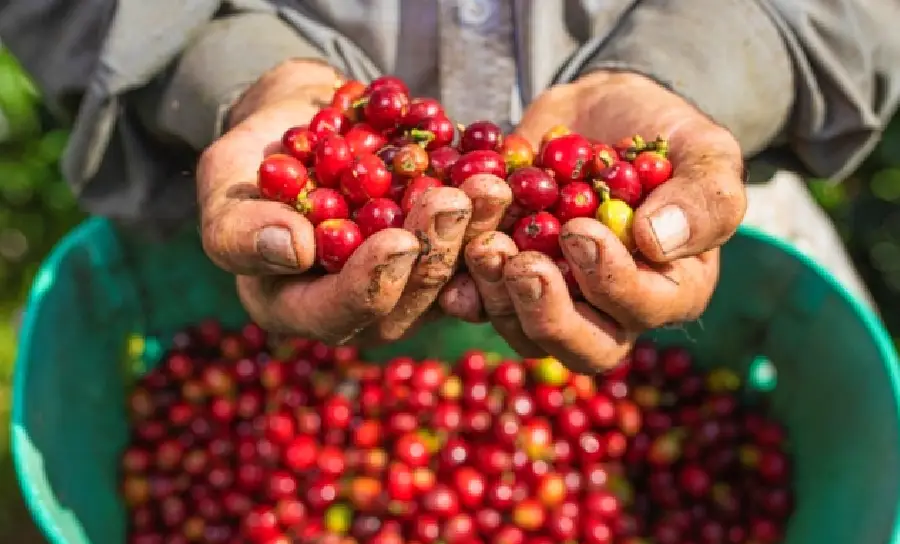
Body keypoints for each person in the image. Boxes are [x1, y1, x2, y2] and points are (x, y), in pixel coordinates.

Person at [0, 0, 897, 374]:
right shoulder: (329, 167)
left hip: (721, 187)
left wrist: (721, 64)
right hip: (214, 171)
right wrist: (229, 70)